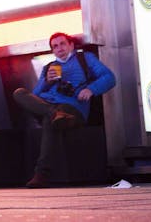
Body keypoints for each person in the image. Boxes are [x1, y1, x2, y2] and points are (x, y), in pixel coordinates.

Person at [12, 32, 116, 188]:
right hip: (49, 107)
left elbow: (110, 77)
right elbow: (34, 96)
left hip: (72, 109)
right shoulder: (49, 67)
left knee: (50, 120)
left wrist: (91, 89)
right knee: (19, 93)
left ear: (71, 45)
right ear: (52, 51)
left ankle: (41, 174)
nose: (59, 48)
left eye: (62, 44)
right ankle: (54, 113)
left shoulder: (84, 59)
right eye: (55, 46)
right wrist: (47, 81)